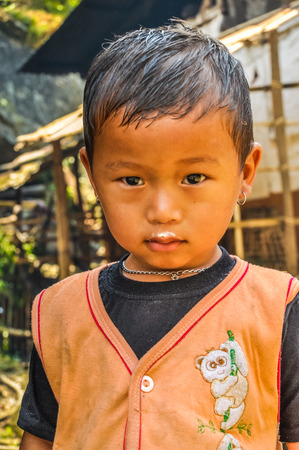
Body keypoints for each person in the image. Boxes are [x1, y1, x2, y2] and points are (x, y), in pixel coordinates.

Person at [18, 23, 299, 449]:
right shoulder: (58, 314)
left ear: (245, 173)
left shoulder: (277, 311)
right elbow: (38, 439)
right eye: (131, 179)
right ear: (92, 174)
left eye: (194, 177)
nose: (162, 210)